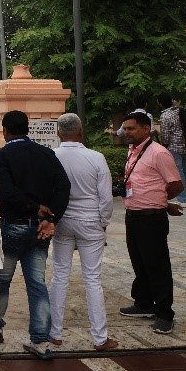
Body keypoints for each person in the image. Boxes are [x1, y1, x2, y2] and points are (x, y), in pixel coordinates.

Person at [0, 110, 70, 358]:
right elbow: (64, 186)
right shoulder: (47, 154)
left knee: (2, 281)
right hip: (39, 228)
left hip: (12, 225)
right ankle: (40, 340)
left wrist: (35, 208)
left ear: (5, 131)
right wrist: (50, 218)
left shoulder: (2, 156)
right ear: (27, 129)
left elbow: (7, 192)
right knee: (37, 284)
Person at [47, 113, 117, 351]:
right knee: (92, 278)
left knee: (59, 275)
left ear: (58, 133)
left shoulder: (52, 156)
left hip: (62, 221)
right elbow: (106, 197)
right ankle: (100, 337)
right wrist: (103, 222)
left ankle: (54, 332)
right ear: (81, 131)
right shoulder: (96, 158)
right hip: (91, 220)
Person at [117, 110, 184, 335]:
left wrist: (161, 200)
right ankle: (143, 302)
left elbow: (176, 184)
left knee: (157, 265)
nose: (127, 132)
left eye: (131, 128)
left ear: (146, 129)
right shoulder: (133, 150)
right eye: (125, 129)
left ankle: (164, 313)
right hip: (133, 214)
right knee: (139, 262)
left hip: (151, 217)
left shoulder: (158, 153)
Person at [157, 94, 186, 207]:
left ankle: (183, 199)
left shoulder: (165, 116)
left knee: (178, 172)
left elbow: (165, 136)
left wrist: (163, 146)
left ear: (160, 103)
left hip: (174, 147)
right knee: (185, 171)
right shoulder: (179, 111)